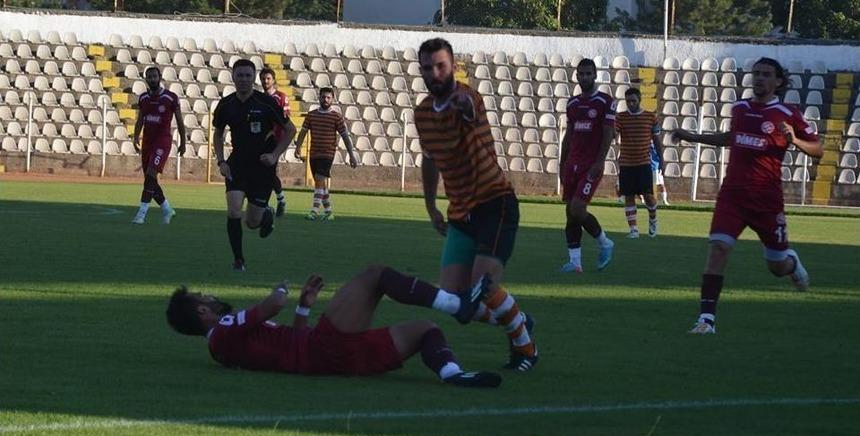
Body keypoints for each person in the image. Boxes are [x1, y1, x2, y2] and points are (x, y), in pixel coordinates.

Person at [672, 57, 821, 334]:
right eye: (756, 73)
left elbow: (818, 149)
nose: (759, 78)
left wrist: (795, 140)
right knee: (718, 249)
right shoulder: (740, 108)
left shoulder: (788, 113)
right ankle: (706, 319)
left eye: (766, 74)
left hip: (767, 199)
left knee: (777, 267)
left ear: (778, 81)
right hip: (733, 195)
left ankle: (792, 264)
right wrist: (692, 137)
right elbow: (731, 138)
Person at [166, 265, 501, 388]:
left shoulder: (222, 346)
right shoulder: (223, 331)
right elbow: (272, 306)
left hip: (329, 359)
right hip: (324, 349)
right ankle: (458, 305)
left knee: (426, 329)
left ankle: (453, 374)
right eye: (203, 297)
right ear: (202, 311)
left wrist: (304, 306)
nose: (210, 296)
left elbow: (291, 341)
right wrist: (280, 291)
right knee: (376, 275)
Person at [415, 37, 538, 372]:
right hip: (460, 212)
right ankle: (519, 319)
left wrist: (461, 105)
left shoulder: (469, 98)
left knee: (482, 288)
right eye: (428, 68)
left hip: (494, 203)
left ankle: (526, 349)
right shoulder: (422, 113)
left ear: (454, 66)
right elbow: (430, 159)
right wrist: (430, 205)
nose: (434, 73)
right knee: (454, 300)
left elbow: (468, 109)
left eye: (441, 66)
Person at [213, 59, 296, 272]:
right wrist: (221, 161)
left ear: (253, 78)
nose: (243, 79)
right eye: (240, 75)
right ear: (233, 77)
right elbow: (218, 134)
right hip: (237, 164)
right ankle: (238, 260)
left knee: (251, 222)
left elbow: (290, 130)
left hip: (262, 167)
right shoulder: (226, 105)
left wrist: (275, 155)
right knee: (233, 210)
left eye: (248, 75)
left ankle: (265, 214)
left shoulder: (266, 103)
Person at [559, 58, 617, 273]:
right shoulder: (572, 104)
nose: (585, 77)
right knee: (570, 212)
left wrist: (600, 161)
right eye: (581, 74)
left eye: (588, 73)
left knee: (577, 208)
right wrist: (562, 164)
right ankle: (575, 262)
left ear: (595, 75)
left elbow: (608, 133)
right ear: (576, 76)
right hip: (572, 164)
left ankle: (605, 242)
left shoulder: (605, 101)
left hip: (591, 165)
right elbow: (569, 135)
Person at [131, 66, 186, 225]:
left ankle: (141, 215)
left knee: (150, 175)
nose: (152, 79)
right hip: (147, 142)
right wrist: (136, 136)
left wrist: (183, 142)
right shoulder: (143, 98)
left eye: (154, 76)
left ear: (160, 77)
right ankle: (167, 209)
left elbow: (180, 121)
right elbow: (140, 119)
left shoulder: (170, 97)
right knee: (150, 180)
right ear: (146, 79)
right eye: (149, 77)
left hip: (162, 141)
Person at [294, 87, 358, 221]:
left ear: (332, 99)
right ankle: (329, 212)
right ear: (319, 98)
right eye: (323, 97)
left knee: (319, 178)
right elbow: (303, 132)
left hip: (328, 153)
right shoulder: (311, 115)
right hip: (314, 153)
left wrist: (351, 155)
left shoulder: (336, 117)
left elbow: (345, 136)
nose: (326, 100)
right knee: (321, 182)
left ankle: (314, 211)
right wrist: (298, 147)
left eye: (328, 97)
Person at [615, 87, 662, 238]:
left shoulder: (650, 117)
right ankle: (634, 230)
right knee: (629, 196)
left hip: (643, 162)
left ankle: (653, 219)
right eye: (628, 101)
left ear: (639, 100)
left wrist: (661, 159)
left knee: (648, 196)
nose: (630, 104)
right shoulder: (620, 117)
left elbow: (656, 139)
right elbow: (614, 134)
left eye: (633, 101)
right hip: (626, 163)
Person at [259, 67, 290, 217]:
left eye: (268, 78)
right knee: (262, 171)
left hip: (276, 140)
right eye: (263, 79)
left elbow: (286, 119)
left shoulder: (281, 97)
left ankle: (265, 204)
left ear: (273, 80)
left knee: (269, 171)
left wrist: (275, 133)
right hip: (259, 140)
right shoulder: (258, 98)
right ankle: (279, 200)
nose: (266, 81)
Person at [651, 141, 670, 205]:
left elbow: (660, 156)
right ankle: (653, 200)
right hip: (649, 167)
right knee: (653, 185)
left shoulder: (656, 146)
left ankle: (664, 200)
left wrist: (662, 166)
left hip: (656, 167)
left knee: (661, 184)